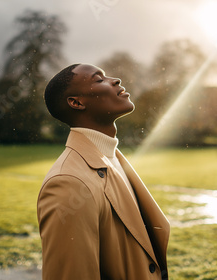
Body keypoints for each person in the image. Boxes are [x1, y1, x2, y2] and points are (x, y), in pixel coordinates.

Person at [37, 63, 170, 279]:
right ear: (76, 102)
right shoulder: (68, 183)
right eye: (99, 79)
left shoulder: (112, 157)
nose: (115, 80)